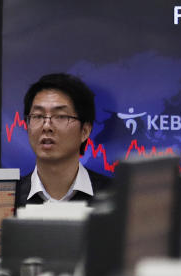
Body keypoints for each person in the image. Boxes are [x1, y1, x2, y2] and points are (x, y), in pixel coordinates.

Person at [16, 73, 113, 208]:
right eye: (38, 116)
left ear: (85, 131)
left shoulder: (114, 197)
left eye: (60, 116)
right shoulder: (9, 198)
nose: (46, 126)